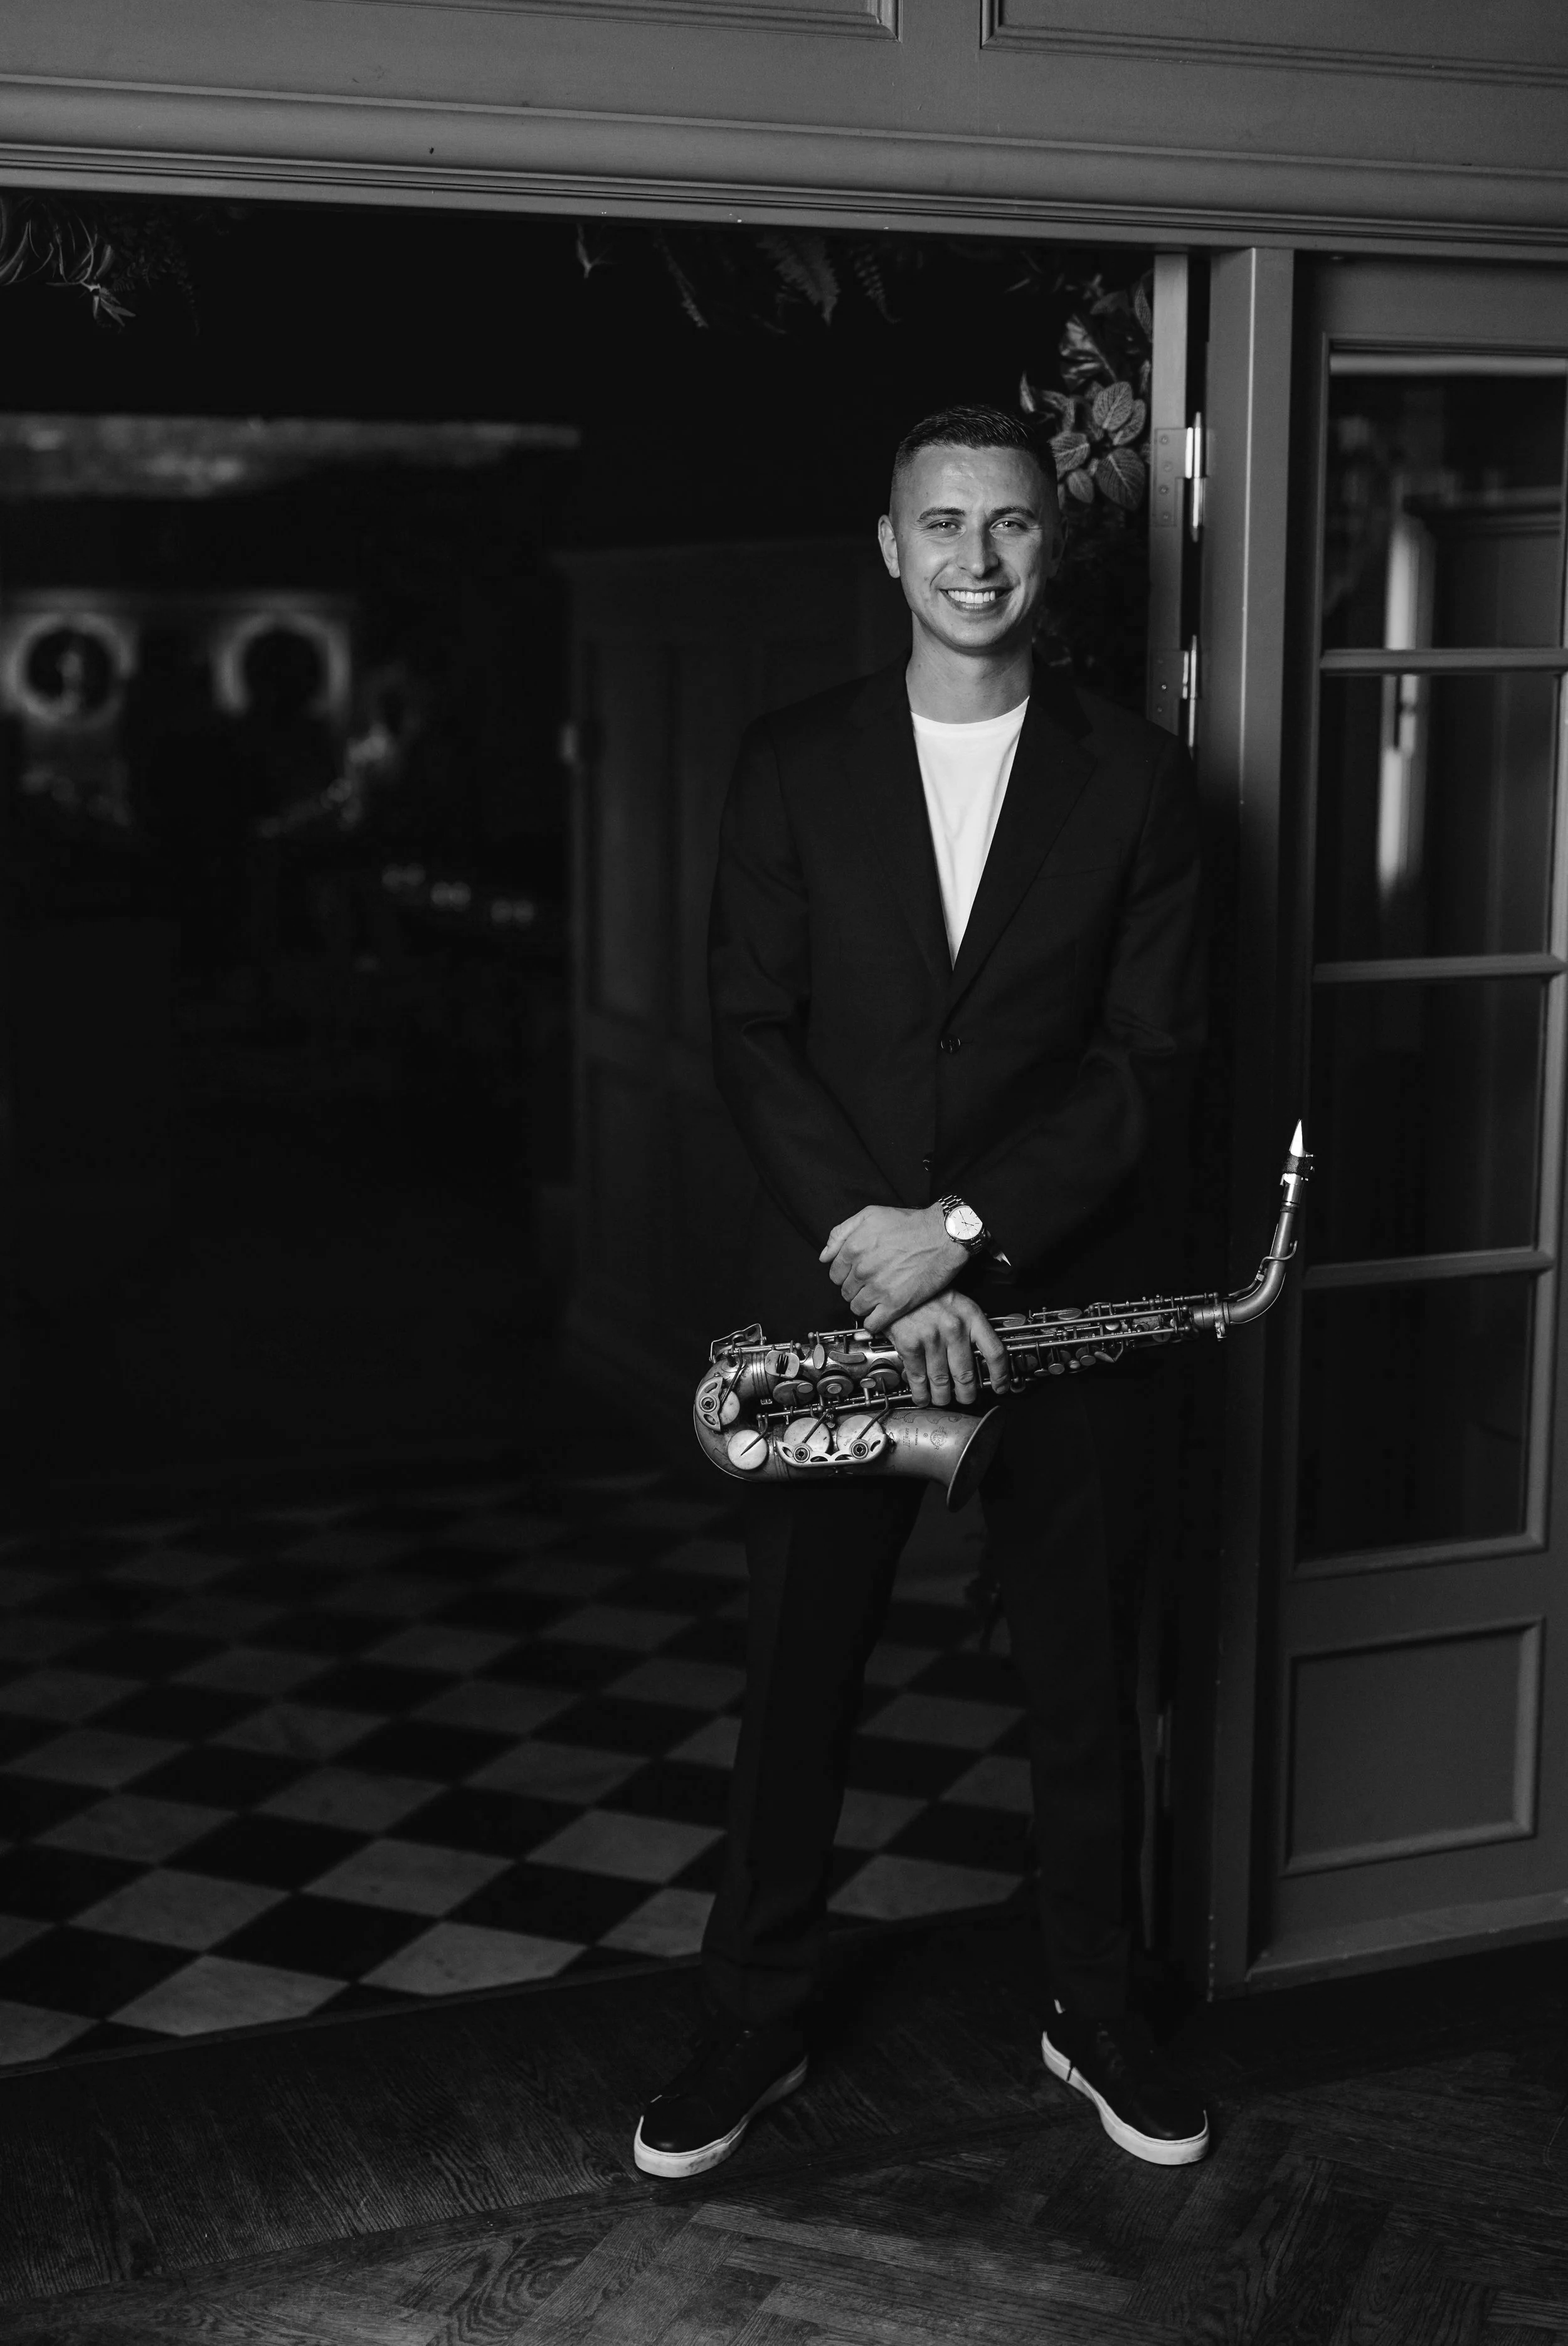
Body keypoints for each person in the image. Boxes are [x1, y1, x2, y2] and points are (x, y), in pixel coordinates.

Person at [635, 405, 1208, 2180]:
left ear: (1056, 547)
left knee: (1080, 1686)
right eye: (939, 522)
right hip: (834, 1302)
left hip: (1059, 1295)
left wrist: (962, 1233)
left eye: (1010, 524)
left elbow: (1149, 1057)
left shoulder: (1142, 779)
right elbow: (747, 1027)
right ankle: (753, 2020)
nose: (973, 556)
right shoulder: (792, 758)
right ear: (886, 549)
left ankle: (1091, 2007)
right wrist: (880, 1261)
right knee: (799, 1675)